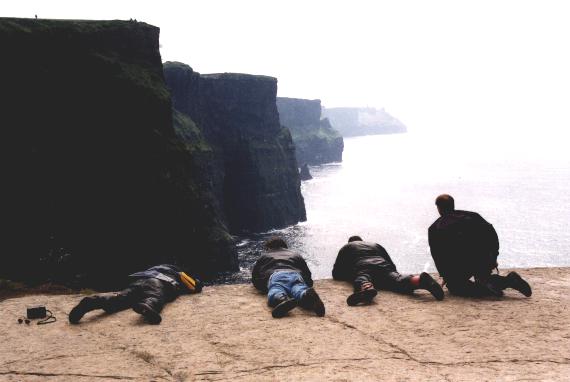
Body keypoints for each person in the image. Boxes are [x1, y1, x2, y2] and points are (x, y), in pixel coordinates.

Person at [428, 194, 532, 297]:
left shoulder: (435, 228)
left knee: (455, 286)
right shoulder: (472, 216)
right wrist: (493, 257)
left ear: (439, 208)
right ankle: (508, 280)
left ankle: (487, 288)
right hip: (482, 259)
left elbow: (438, 255)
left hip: (460, 264)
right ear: (453, 205)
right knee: (484, 278)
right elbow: (491, 234)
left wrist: (447, 275)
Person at [68, 264, 202, 324]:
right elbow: (194, 286)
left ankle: (96, 300)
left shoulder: (154, 268)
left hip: (140, 280)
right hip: (158, 282)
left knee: (122, 297)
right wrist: (197, 282)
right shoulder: (177, 272)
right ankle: (147, 305)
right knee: (155, 296)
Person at [333, 236, 444, 305]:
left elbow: (337, 272)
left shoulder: (347, 247)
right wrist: (390, 274)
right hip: (383, 265)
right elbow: (391, 264)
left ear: (350, 242)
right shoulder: (375, 245)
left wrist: (348, 274)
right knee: (397, 280)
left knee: (362, 277)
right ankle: (419, 280)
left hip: (363, 266)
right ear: (362, 240)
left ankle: (366, 287)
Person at [252, 237, 325, 318]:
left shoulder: (264, 256)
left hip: (276, 275)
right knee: (299, 288)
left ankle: (282, 299)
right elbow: (307, 274)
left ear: (269, 248)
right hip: (296, 274)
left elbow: (255, 278)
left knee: (276, 289)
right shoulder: (295, 254)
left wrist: (263, 287)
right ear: (285, 246)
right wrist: (307, 283)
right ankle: (306, 294)